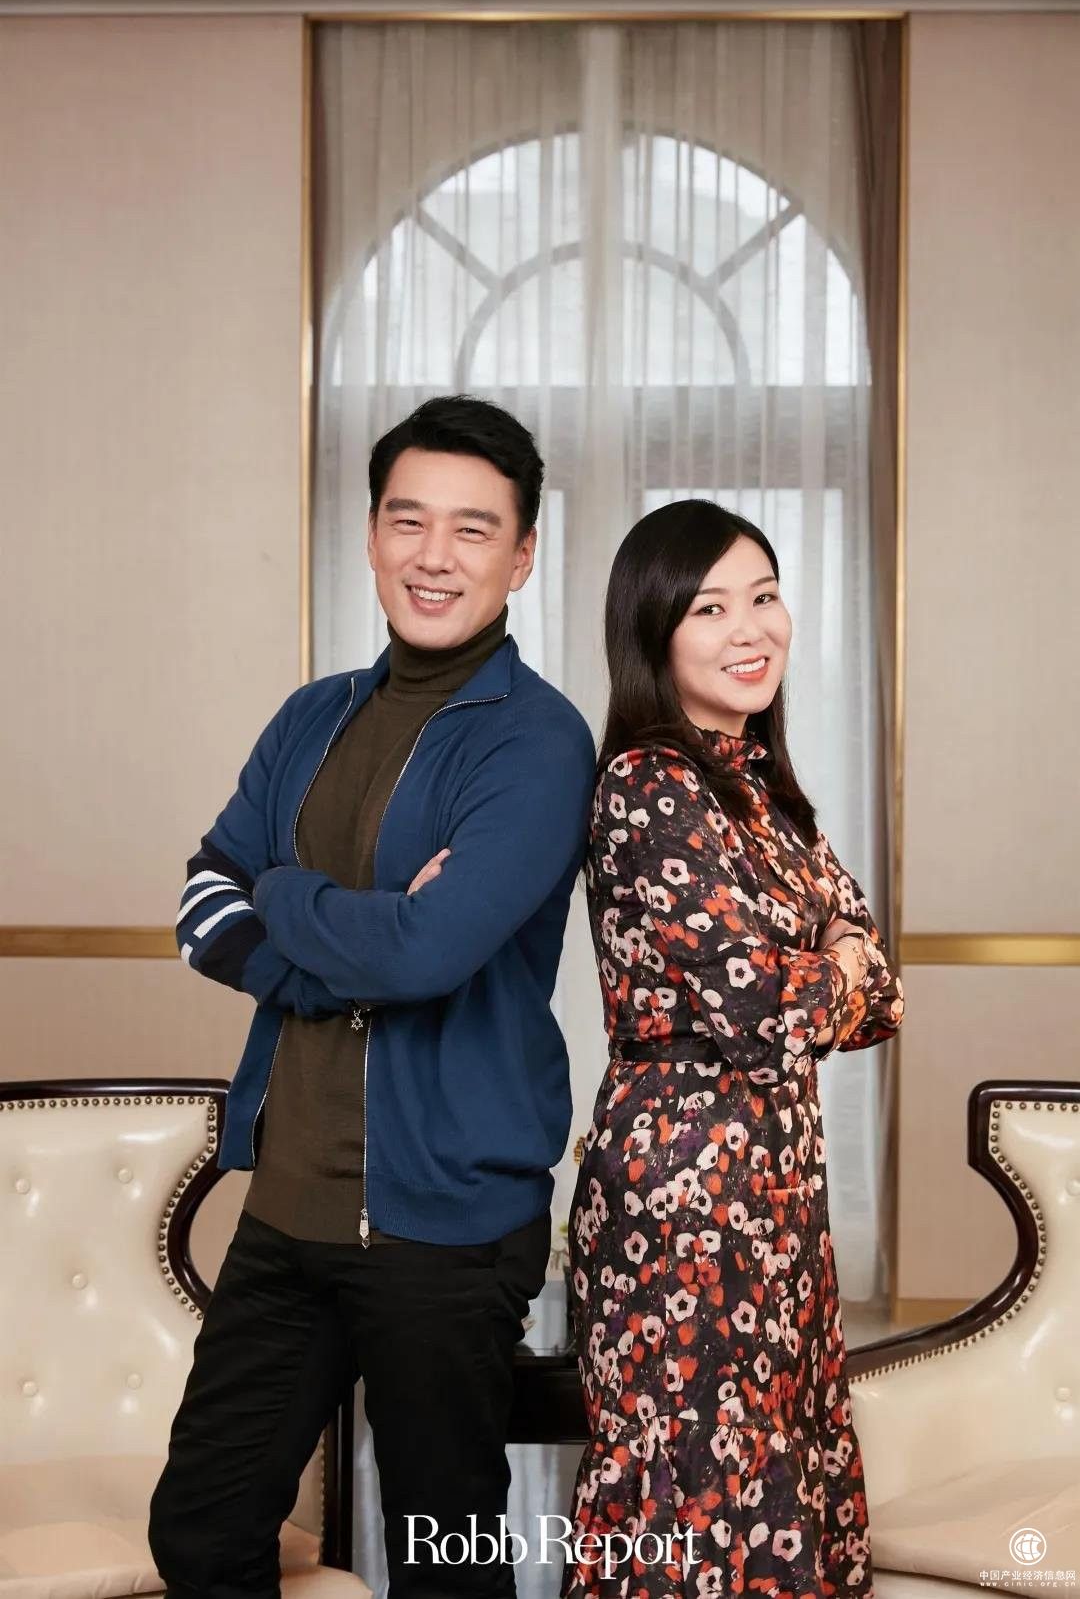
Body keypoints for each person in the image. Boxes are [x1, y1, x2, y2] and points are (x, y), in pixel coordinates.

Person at [148, 395, 596, 1599]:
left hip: (450, 1226)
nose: (433, 556)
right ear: (370, 534)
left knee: (444, 1561)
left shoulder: (538, 743)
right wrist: (365, 922)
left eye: (471, 528)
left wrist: (283, 891)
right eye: (409, 520)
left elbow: (425, 958)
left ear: (521, 555)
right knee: (202, 1533)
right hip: (288, 1205)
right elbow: (201, 905)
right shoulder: (311, 715)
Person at [561, 500, 903, 1598]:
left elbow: (881, 996)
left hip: (778, 1187)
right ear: (654, 634)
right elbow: (767, 1012)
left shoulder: (764, 791)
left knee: (775, 1476)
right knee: (691, 1488)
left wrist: (836, 969)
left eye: (764, 596)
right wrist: (835, 960)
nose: (750, 628)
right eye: (709, 608)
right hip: (686, 1196)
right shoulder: (646, 785)